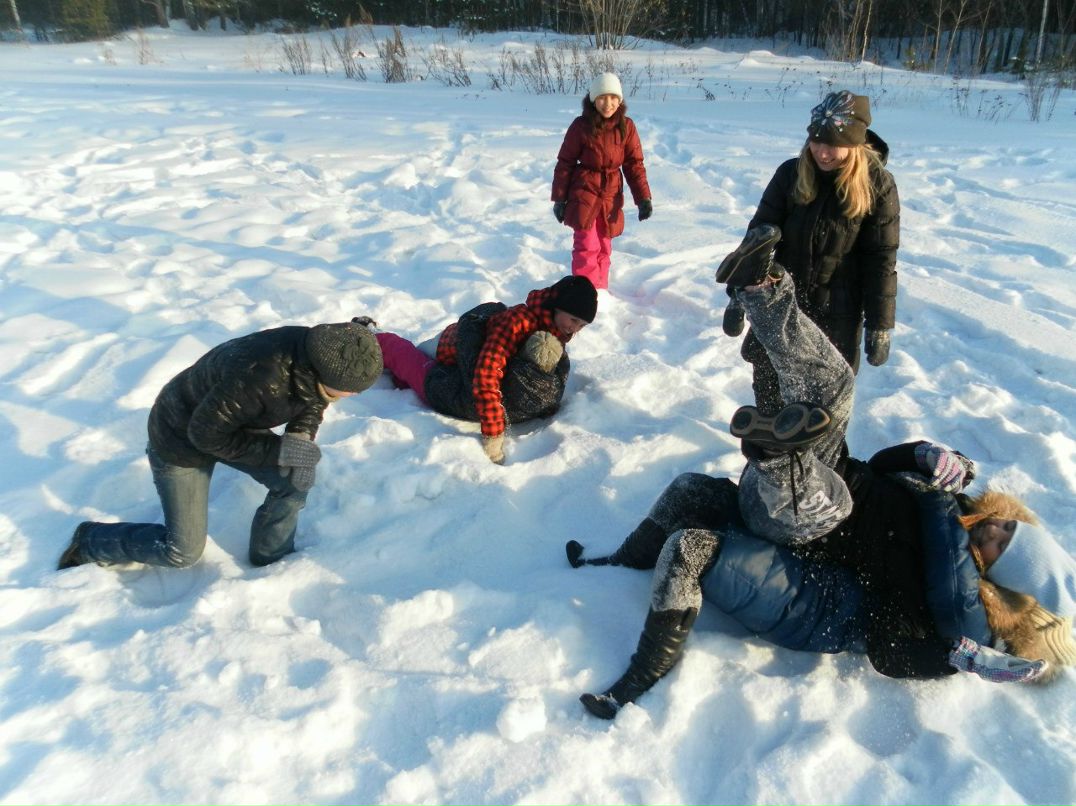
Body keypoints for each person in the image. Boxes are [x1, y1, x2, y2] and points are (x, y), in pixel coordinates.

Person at [566, 228, 1075, 719]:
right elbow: (882, 467)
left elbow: (888, 652)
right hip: (833, 479)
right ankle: (761, 287)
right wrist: (923, 455)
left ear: (1002, 580)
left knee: (783, 509)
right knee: (833, 384)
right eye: (1008, 526)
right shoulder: (953, 508)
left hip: (812, 534)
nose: (995, 529)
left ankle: (641, 675)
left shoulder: (945, 605)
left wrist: (949, 660)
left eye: (1001, 544)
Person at [58, 320, 383, 571]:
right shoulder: (260, 378)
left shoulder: (315, 352)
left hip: (232, 424)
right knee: (181, 552)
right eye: (346, 392)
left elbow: (314, 400)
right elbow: (206, 436)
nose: (350, 397)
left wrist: (299, 436)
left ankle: (272, 562)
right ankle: (90, 540)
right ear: (320, 372)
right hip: (181, 438)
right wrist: (278, 451)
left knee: (292, 483)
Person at [722, 90, 900, 415]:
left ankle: (818, 466)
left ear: (855, 143)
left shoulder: (878, 185)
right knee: (771, 400)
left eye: (833, 143)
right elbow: (758, 239)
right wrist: (738, 295)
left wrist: (880, 323)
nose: (822, 152)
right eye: (816, 141)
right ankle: (768, 464)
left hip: (838, 315)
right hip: (781, 309)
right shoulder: (790, 174)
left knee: (822, 411)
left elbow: (881, 260)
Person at [372, 275, 597, 464]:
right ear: (558, 306)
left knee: (408, 378)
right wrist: (493, 433)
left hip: (473, 362)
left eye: (581, 325)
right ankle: (372, 337)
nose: (574, 328)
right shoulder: (517, 322)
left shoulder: (556, 327)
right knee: (411, 363)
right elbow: (487, 372)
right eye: (573, 319)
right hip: (449, 350)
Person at [551, 72, 652, 291]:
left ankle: (601, 291)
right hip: (584, 191)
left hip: (612, 193)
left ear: (620, 99)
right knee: (586, 245)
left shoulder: (627, 126)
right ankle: (585, 293)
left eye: (613, 97)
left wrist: (643, 198)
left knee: (605, 245)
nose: (608, 104)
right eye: (602, 98)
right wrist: (559, 199)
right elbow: (565, 162)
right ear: (593, 99)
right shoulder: (581, 126)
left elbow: (634, 164)